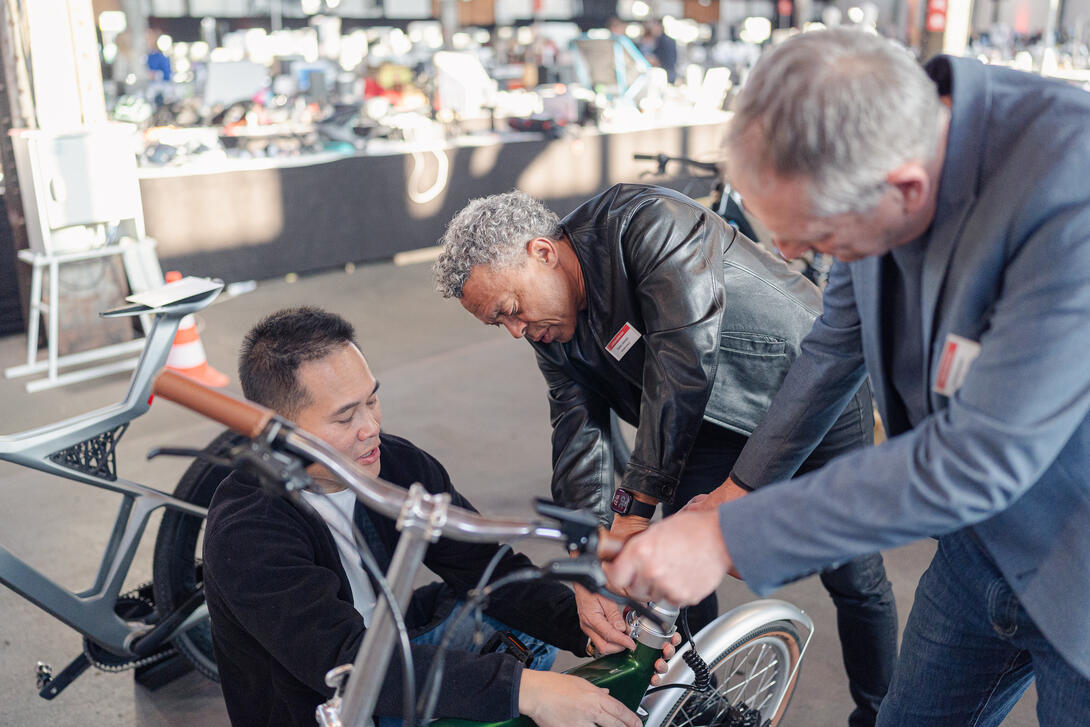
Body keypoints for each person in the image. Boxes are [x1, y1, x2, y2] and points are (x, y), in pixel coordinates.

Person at [602, 28, 1090, 727]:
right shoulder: (880, 145)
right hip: (976, 545)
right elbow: (835, 343)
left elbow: (982, 455)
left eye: (818, 242)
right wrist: (734, 492)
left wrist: (728, 538)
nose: (796, 258)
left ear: (906, 187)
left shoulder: (1069, 188)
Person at [433, 184, 898, 726]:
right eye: (499, 323)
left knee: (854, 573)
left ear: (542, 252)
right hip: (701, 424)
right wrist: (590, 565)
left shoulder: (649, 223)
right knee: (676, 567)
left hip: (804, 391)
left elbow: (683, 365)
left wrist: (631, 514)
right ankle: (699, 705)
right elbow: (579, 438)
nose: (516, 331)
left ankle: (880, 713)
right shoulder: (550, 330)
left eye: (511, 310)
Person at [203, 307, 671, 727]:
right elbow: (345, 663)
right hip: (324, 702)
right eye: (345, 418)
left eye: (372, 399)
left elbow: (483, 566)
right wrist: (527, 690)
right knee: (519, 688)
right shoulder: (247, 531)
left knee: (507, 600)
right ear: (279, 430)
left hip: (392, 642)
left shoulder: (396, 465)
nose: (372, 427)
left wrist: (592, 629)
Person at [644, 19, 677, 83]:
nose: (652, 29)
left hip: (667, 73)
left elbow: (669, 60)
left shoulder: (665, 41)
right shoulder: (658, 40)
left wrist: (656, 61)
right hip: (666, 72)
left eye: (654, 26)